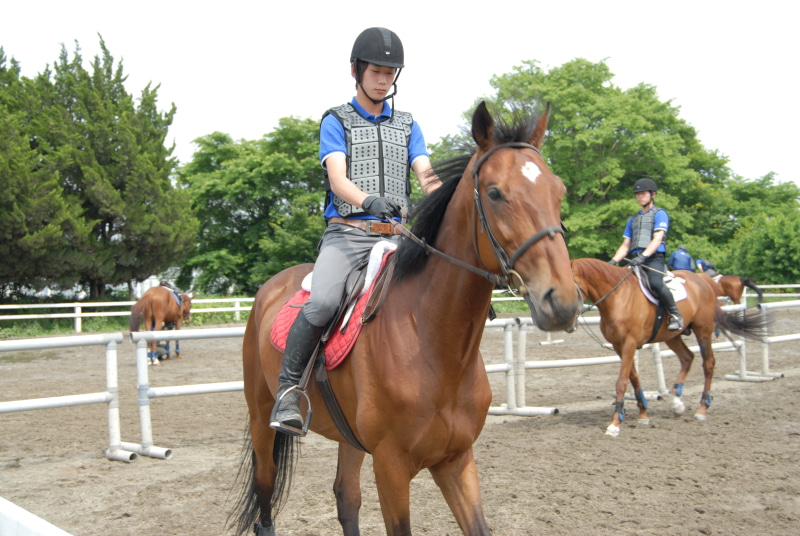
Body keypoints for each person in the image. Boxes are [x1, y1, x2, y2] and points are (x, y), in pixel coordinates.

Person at [270, 27, 440, 435]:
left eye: (390, 73)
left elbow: (426, 174)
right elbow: (338, 180)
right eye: (377, 71)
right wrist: (368, 201)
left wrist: (443, 198)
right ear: (357, 71)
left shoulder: (408, 124)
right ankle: (288, 391)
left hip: (397, 237)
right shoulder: (336, 120)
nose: (384, 80)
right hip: (348, 234)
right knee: (324, 300)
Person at [609, 178, 683, 331]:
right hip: (636, 259)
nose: (640, 197)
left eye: (643, 194)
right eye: (637, 194)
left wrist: (644, 256)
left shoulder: (660, 214)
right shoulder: (633, 219)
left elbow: (657, 239)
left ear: (653, 194)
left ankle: (675, 315)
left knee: (656, 283)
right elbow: (625, 245)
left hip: (654, 258)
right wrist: (613, 262)